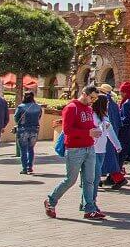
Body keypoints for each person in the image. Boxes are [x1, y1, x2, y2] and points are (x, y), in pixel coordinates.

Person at [44, 85, 105, 220]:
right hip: (75, 149)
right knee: (70, 179)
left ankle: (89, 208)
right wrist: (88, 132)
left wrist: (95, 130)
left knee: (90, 180)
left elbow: (88, 126)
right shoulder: (72, 108)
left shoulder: (89, 109)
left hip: (89, 147)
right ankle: (51, 201)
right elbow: (67, 130)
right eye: (91, 97)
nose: (93, 101)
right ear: (84, 94)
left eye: (95, 99)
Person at [89, 95, 122, 210]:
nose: (108, 106)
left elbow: (110, 132)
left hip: (101, 150)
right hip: (91, 150)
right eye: (106, 104)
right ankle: (90, 203)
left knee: (95, 178)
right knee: (94, 178)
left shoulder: (104, 117)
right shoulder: (93, 116)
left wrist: (117, 145)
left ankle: (89, 202)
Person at [98, 84, 127, 188]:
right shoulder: (114, 104)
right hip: (112, 134)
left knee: (107, 159)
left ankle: (120, 179)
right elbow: (118, 122)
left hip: (103, 136)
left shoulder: (102, 103)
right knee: (106, 159)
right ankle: (97, 180)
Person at [13, 91, 43, 175]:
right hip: (34, 130)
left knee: (23, 150)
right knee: (31, 149)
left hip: (23, 129)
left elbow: (16, 118)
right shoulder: (38, 107)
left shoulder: (21, 107)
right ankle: (30, 167)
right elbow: (39, 117)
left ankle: (24, 168)